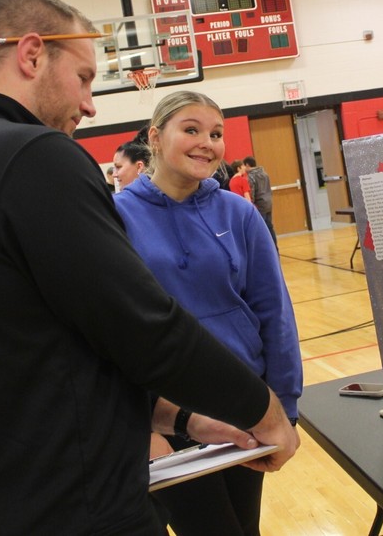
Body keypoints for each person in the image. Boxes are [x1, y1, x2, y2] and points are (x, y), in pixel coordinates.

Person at [0, 0, 298, 535]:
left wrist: (181, 417)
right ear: (33, 54)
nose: (91, 104)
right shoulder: (32, 154)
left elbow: (61, 355)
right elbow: (141, 327)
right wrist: (267, 410)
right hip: (70, 506)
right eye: (85, 78)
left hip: (3, 498)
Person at [113, 91, 302, 536]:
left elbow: (274, 311)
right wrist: (140, 424)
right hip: (167, 412)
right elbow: (109, 328)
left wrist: (284, 409)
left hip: (242, 406)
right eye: (191, 130)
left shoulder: (238, 213)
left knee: (244, 528)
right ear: (156, 138)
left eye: (216, 133)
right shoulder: (115, 217)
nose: (207, 143)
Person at [243, 156, 278, 248]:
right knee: (270, 226)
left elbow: (252, 191)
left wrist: (252, 203)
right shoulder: (264, 174)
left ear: (247, 165)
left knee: (261, 229)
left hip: (260, 203)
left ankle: (265, 249)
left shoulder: (251, 176)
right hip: (268, 202)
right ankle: (275, 248)